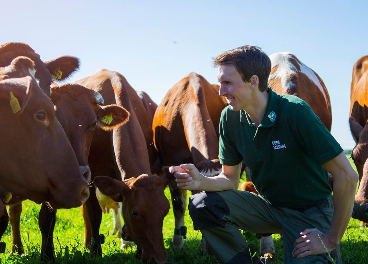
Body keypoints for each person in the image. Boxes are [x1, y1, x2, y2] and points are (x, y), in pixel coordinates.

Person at [169, 45, 358, 263]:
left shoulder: (295, 112)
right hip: (269, 208)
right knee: (203, 204)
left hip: (310, 212)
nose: (221, 92)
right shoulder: (229, 118)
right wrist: (199, 180)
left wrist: (331, 239)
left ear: (254, 81)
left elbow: (348, 176)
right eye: (220, 83)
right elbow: (230, 180)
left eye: (228, 83)